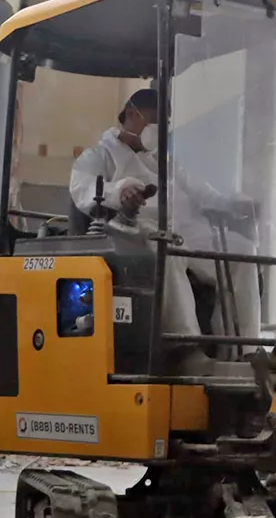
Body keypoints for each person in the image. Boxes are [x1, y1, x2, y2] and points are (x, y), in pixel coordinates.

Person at [70, 88, 260, 361]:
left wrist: (231, 204)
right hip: (130, 232)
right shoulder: (98, 157)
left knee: (242, 251)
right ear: (132, 114)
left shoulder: (162, 159)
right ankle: (186, 346)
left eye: (165, 123)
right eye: (155, 121)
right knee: (165, 247)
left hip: (180, 229)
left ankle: (242, 350)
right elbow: (83, 188)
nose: (161, 130)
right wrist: (120, 192)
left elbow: (199, 190)